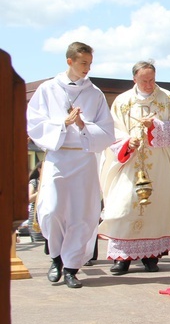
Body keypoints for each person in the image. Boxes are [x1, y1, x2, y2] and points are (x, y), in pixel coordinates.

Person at [26, 41, 115, 288]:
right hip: (59, 156)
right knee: (52, 210)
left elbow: (107, 131)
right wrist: (63, 124)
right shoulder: (48, 89)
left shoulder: (94, 94)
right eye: (83, 63)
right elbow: (34, 122)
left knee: (82, 214)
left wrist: (83, 125)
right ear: (70, 61)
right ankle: (56, 258)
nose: (87, 68)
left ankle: (72, 267)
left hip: (84, 159)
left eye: (90, 63)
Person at [98, 60, 170, 275]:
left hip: (158, 164)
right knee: (123, 206)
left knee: (156, 207)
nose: (149, 84)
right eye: (144, 80)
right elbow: (113, 130)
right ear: (134, 79)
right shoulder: (122, 101)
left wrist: (156, 127)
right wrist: (127, 143)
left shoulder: (168, 99)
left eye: (152, 80)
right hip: (129, 163)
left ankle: (151, 256)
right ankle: (121, 258)